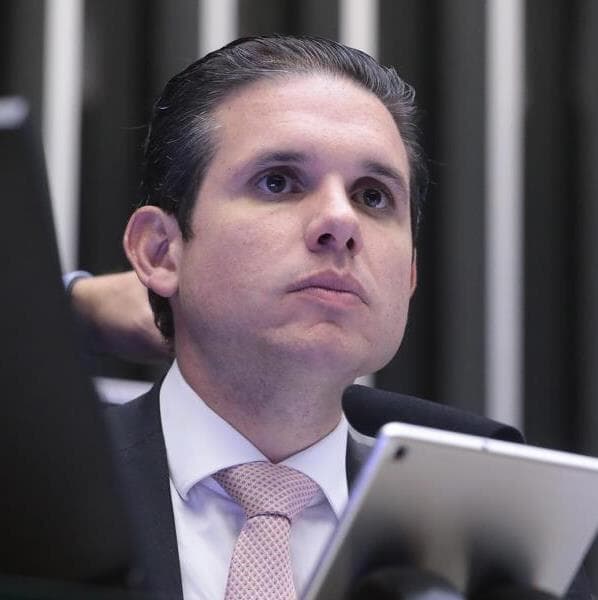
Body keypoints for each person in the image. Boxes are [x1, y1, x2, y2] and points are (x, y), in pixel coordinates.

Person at [71, 35, 590, 600]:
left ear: (409, 275)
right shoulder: (35, 492)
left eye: (372, 196)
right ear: (160, 252)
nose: (341, 222)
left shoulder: (499, 530)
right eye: (278, 181)